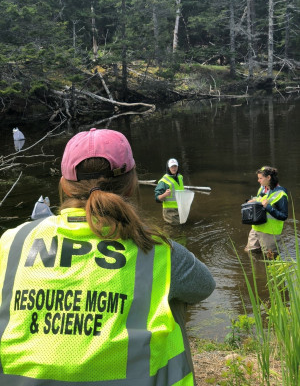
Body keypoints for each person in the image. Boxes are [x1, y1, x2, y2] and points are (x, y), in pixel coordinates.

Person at [0, 128, 216, 385]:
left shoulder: (12, 242)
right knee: (170, 297)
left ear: (64, 186)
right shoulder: (157, 250)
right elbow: (204, 286)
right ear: (131, 183)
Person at [244, 165, 288, 259]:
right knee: (251, 253)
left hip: (270, 233)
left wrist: (268, 207)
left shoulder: (281, 194)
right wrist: (253, 200)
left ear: (268, 178)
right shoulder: (262, 188)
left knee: (270, 258)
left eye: (260, 178)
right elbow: (261, 199)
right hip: (256, 228)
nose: (258, 180)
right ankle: (258, 272)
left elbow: (284, 216)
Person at [155, 158, 184, 225]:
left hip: (180, 209)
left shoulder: (180, 177)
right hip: (170, 211)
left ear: (178, 167)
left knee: (181, 228)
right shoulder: (163, 181)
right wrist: (164, 195)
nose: (174, 168)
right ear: (168, 168)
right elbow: (157, 198)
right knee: (172, 231)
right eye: (172, 166)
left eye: (175, 166)